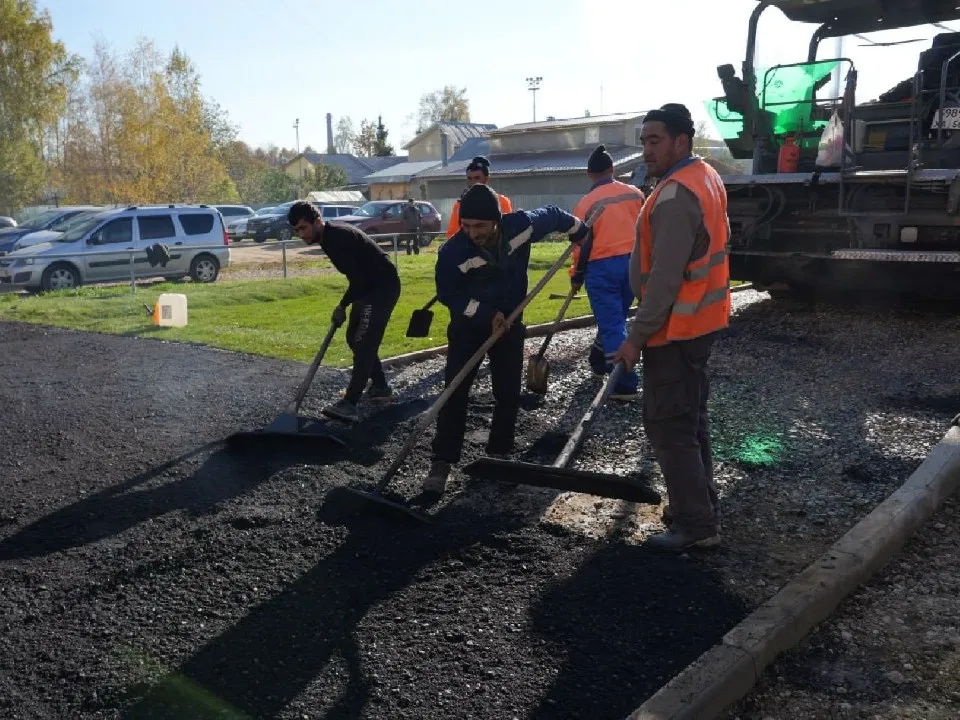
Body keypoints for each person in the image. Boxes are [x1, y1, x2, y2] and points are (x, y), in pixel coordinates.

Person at [612, 103, 731, 551]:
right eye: (643, 141)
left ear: (682, 140)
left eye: (655, 140)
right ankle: (699, 506)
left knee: (669, 427)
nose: (646, 150)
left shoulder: (676, 194)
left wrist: (634, 338)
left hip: (677, 329)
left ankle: (696, 526)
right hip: (700, 323)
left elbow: (663, 279)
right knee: (691, 420)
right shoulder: (707, 178)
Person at [423, 184, 589, 496]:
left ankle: (498, 455)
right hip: (469, 326)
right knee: (455, 390)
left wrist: (579, 231)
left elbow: (554, 216)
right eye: (467, 226)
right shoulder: (454, 252)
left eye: (480, 226)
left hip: (511, 323)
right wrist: (486, 313)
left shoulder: (521, 227)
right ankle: (442, 461)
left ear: (497, 221)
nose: (473, 233)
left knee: (508, 393)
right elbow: (449, 295)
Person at [288, 201, 401, 424]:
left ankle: (350, 403)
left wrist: (342, 305)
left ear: (317, 221)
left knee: (364, 342)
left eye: (303, 228)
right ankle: (380, 387)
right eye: (296, 231)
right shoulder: (328, 239)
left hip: (381, 288)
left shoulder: (336, 239)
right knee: (354, 339)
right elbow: (357, 278)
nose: (301, 234)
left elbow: (359, 279)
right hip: (367, 288)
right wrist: (346, 304)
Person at [571, 144, 646, 399]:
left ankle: (624, 383)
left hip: (602, 267)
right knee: (615, 318)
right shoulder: (635, 194)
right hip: (634, 264)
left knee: (613, 322)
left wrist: (576, 274)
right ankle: (599, 360)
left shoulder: (586, 203)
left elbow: (581, 244)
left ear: (590, 174)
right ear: (613, 169)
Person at [445, 156, 513, 239]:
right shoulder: (459, 205)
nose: (473, 182)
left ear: (487, 179)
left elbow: (507, 231)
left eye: (477, 178)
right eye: (470, 178)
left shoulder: (502, 201)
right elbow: (451, 234)